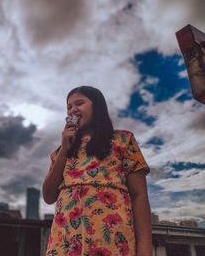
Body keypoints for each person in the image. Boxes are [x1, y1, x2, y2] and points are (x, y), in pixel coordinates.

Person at [42, 86, 152, 256]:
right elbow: (48, 196)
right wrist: (64, 149)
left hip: (111, 240)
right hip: (65, 242)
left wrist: (144, 250)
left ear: (97, 106)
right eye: (69, 107)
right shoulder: (61, 152)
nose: (73, 109)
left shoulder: (122, 140)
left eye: (79, 103)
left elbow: (140, 196)